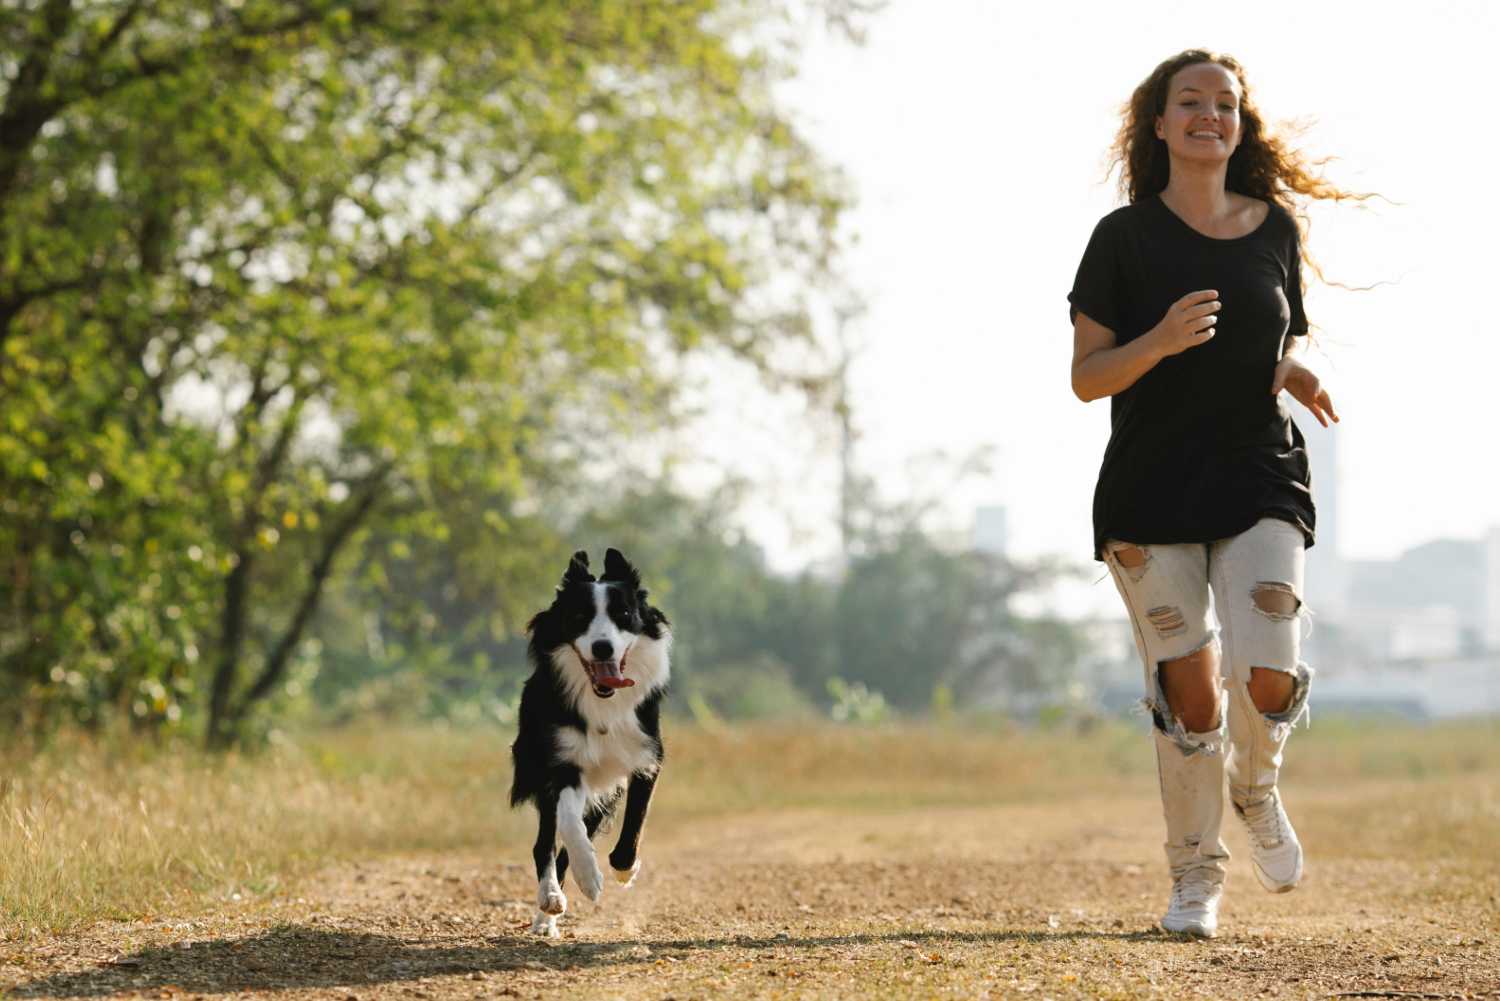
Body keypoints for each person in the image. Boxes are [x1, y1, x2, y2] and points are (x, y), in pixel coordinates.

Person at [1068, 49, 1355, 937]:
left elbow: (1272, 339)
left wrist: (1295, 368)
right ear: (1158, 124)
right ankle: (1196, 876)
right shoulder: (1123, 238)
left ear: (1240, 123)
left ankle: (1256, 786)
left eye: (1224, 104)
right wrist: (1155, 341)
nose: (1208, 115)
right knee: (1191, 694)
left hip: (1257, 471)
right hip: (1152, 488)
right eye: (1188, 102)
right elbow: (1087, 378)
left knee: (1268, 669)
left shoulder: (1274, 229)